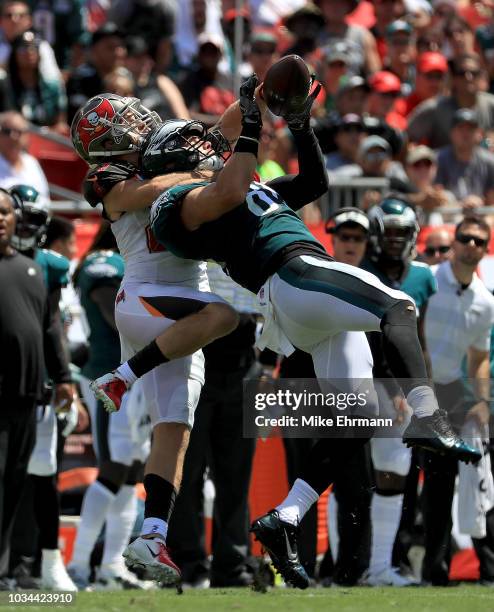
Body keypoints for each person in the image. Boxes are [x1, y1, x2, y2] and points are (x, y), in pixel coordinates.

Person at [136, 80, 480, 587]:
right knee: (399, 305)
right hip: (291, 275)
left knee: (354, 418)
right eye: (194, 144)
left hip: (302, 296)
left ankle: (286, 518)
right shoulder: (174, 205)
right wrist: (251, 126)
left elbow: (314, 182)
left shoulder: (246, 189)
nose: (208, 146)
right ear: (173, 161)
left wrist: (301, 124)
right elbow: (226, 190)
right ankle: (428, 416)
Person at [70, 91, 241, 586]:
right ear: (105, 135)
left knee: (174, 428)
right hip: (145, 298)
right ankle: (121, 376)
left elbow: (221, 133)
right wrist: (199, 171)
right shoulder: (106, 176)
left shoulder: (170, 148)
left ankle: (152, 535)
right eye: (123, 117)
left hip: (185, 307)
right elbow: (142, 194)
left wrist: (255, 101)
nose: (137, 118)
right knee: (225, 315)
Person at [361, 197, 436, 587]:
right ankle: (354, 566)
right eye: (388, 233)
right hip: (366, 383)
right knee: (355, 476)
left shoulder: (423, 277)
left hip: (404, 391)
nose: (394, 241)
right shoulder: (361, 271)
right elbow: (366, 340)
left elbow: (420, 340)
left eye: (401, 234)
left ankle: (379, 567)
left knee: (395, 474)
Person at [69, 223, 148, 590]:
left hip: (130, 377)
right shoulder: (104, 263)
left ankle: (112, 565)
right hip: (107, 377)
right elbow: (113, 314)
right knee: (112, 469)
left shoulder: (126, 262)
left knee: (130, 474)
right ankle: (79, 564)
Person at [0, 187, 72, 587]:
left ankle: (5, 571)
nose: (1, 219)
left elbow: (48, 328)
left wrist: (62, 378)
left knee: (14, 485)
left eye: (6, 212)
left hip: (28, 397)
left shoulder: (32, 270)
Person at [422, 215, 494, 586]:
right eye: (465, 238)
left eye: (479, 241)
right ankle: (427, 571)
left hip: (454, 392)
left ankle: (483, 570)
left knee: (474, 481)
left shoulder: (485, 301)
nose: (471, 245)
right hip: (418, 388)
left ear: (485, 249)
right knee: (425, 489)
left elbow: (480, 359)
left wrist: (483, 403)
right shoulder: (429, 281)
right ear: (455, 242)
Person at [408, 53, 494, 149]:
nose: (469, 77)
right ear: (453, 78)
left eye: (474, 73)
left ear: (480, 76)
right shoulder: (435, 108)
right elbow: (407, 138)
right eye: (462, 73)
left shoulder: (491, 104)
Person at [434, 108, 494, 209]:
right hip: (447, 219)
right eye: (460, 128)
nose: (465, 133)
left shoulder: (490, 162)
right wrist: (460, 205)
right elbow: (434, 195)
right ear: (451, 133)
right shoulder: (437, 159)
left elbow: (492, 201)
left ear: (479, 134)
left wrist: (480, 202)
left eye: (470, 129)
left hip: (480, 218)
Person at [0, 111, 49, 198]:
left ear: (27, 136)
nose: (13, 137)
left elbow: (45, 199)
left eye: (19, 131)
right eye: (7, 131)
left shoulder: (31, 162)